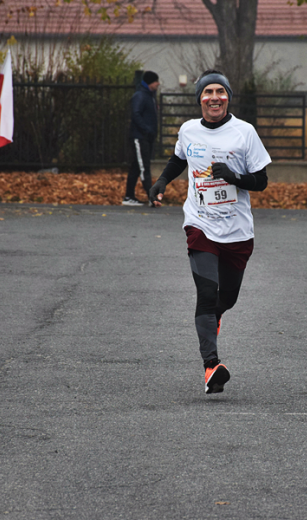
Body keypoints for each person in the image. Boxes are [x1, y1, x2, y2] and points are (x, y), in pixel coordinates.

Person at [149, 69, 271, 394]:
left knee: (226, 298)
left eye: (220, 92)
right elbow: (179, 159)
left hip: (237, 231)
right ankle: (211, 366)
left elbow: (261, 181)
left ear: (227, 97)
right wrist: (162, 181)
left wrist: (235, 177)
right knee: (206, 294)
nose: (214, 97)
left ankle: (214, 318)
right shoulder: (189, 130)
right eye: (208, 92)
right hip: (200, 224)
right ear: (200, 99)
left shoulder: (244, 132)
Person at [124, 70, 159, 206]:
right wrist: (146, 129)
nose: (158, 84)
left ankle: (128, 196)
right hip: (140, 137)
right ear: (151, 82)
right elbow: (136, 114)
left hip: (146, 137)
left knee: (136, 167)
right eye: (156, 81)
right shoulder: (140, 96)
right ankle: (152, 197)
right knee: (144, 167)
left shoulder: (149, 95)